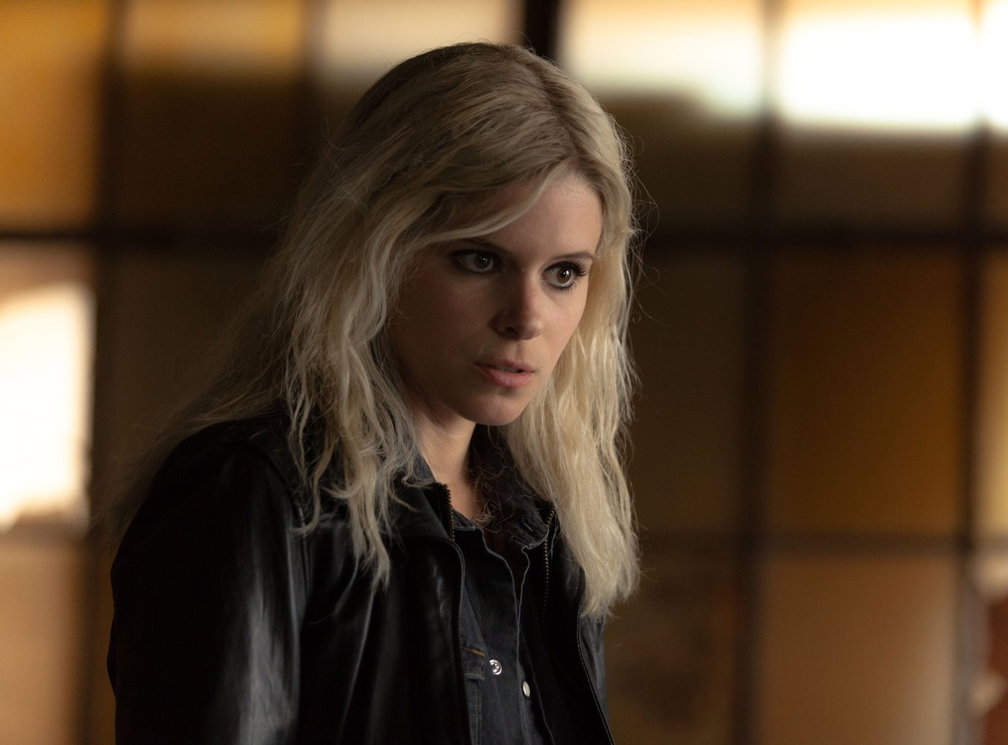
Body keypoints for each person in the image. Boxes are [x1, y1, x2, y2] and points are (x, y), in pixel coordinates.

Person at [107, 42, 640, 744]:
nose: (527, 318)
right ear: (375, 252)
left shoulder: (546, 525)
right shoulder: (252, 494)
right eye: (480, 259)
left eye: (564, 273)